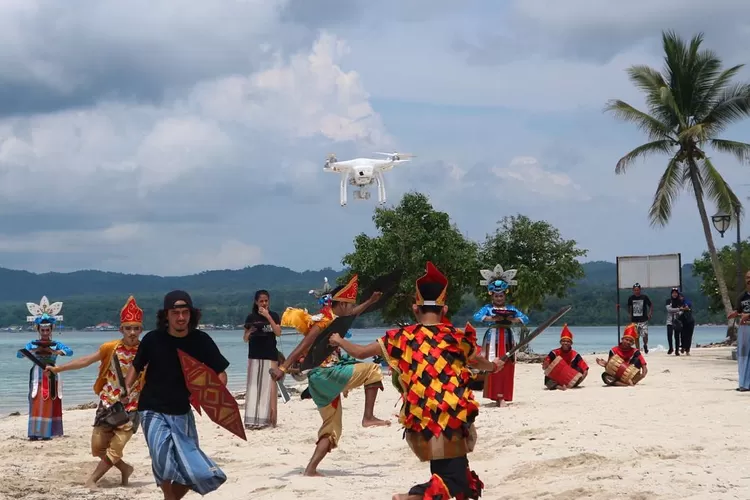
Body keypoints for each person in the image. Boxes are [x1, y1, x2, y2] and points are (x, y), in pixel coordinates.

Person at [329, 262, 494, 500]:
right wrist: (494, 366)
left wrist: (339, 340)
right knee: (454, 482)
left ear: (415, 309)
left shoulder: (400, 337)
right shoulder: (457, 337)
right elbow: (478, 362)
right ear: (444, 309)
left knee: (455, 476)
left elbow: (361, 353)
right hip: (451, 416)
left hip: (421, 419)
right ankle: (410, 498)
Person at [270, 274, 390, 477]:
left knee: (331, 429)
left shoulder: (339, 318)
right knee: (373, 370)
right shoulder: (323, 322)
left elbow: (356, 312)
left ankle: (310, 470)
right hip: (326, 375)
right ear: (340, 304)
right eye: (349, 305)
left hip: (319, 382)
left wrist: (370, 301)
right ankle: (368, 417)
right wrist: (283, 368)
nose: (352, 309)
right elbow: (303, 346)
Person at [126, 290, 230, 499]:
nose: (181, 317)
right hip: (151, 408)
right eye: (175, 313)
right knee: (162, 460)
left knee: (191, 469)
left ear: (191, 314)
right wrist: (126, 389)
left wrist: (215, 396)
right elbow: (136, 367)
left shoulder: (200, 340)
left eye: (185, 312)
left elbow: (220, 372)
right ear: (166, 315)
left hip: (182, 411)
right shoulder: (152, 339)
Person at [46, 296, 146, 488]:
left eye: (136, 328)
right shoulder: (110, 348)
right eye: (128, 328)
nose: (132, 332)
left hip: (132, 407)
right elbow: (85, 361)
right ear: (121, 329)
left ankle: (92, 479)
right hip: (108, 403)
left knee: (116, 448)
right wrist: (58, 369)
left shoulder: (146, 351)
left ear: (141, 330)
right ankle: (125, 469)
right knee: (98, 448)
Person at [472, 264, 529, 405]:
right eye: (496, 296)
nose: (499, 298)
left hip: (508, 338)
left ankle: (503, 395)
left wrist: (513, 319)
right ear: (492, 296)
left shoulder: (510, 308)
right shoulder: (488, 308)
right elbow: (476, 317)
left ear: (505, 295)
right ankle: (494, 394)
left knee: (507, 365)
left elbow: (525, 318)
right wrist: (491, 318)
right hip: (493, 337)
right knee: (493, 362)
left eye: (501, 295)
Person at [17, 296, 72, 440]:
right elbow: (19, 354)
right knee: (36, 400)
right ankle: (35, 432)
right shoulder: (32, 343)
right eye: (43, 330)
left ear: (51, 329)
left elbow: (70, 351)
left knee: (50, 400)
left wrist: (56, 352)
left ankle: (48, 432)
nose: (45, 333)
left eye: (47, 330)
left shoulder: (56, 343)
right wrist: (33, 351)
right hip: (38, 374)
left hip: (52, 373)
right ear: (38, 330)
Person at [243, 289, 282, 430]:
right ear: (256, 302)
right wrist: (249, 332)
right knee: (254, 388)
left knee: (270, 389)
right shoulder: (251, 317)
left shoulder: (274, 315)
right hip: (254, 355)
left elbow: (278, 333)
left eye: (266, 301)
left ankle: (271, 421)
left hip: (270, 355)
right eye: (261, 301)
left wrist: (268, 317)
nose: (264, 303)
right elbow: (245, 339)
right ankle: (253, 420)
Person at [542, 324, 589, 390]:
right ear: (560, 342)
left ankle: (565, 386)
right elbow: (545, 367)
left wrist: (579, 382)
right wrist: (545, 365)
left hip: (570, 379)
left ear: (571, 343)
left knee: (579, 369)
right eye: (563, 341)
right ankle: (559, 387)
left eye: (568, 341)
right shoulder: (554, 353)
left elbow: (585, 369)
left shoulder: (575, 355)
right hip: (557, 378)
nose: (565, 343)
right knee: (546, 378)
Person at [727, 270, 750, 391]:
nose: (749, 280)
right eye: (747, 278)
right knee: (743, 355)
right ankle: (744, 384)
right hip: (745, 328)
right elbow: (739, 311)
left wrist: (748, 315)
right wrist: (734, 314)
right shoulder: (742, 296)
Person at [627, 283, 652, 353]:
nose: (636, 291)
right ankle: (637, 350)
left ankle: (645, 344)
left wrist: (650, 313)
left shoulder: (644, 297)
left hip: (643, 319)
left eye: (637, 290)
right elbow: (629, 307)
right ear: (633, 290)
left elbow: (650, 305)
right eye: (635, 290)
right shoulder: (631, 298)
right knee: (636, 336)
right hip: (634, 320)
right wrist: (629, 314)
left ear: (640, 290)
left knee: (645, 334)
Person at [665, 288, 683, 356]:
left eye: (676, 293)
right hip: (669, 320)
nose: (674, 294)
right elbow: (669, 309)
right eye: (673, 293)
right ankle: (670, 348)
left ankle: (677, 350)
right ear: (671, 294)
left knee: (677, 336)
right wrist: (678, 309)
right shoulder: (668, 301)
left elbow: (682, 311)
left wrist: (679, 311)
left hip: (677, 320)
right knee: (669, 335)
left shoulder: (680, 301)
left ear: (677, 294)